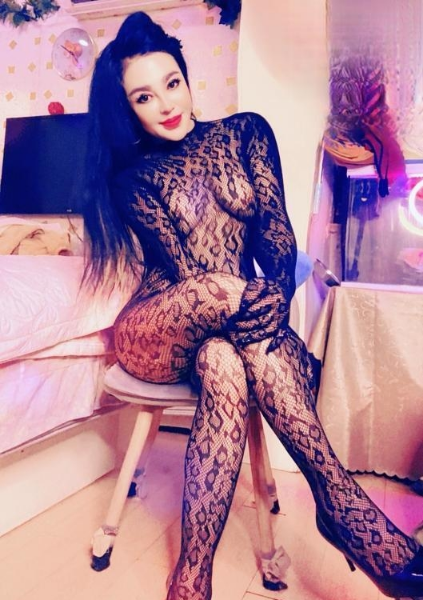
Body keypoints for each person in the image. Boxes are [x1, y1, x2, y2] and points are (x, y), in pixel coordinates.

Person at [82, 11, 423, 600]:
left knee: (223, 360)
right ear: (128, 108)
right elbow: (189, 274)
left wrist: (280, 289)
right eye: (143, 96)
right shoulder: (133, 176)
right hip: (160, 325)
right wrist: (265, 304)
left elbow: (276, 232)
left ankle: (193, 575)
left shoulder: (245, 133)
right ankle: (341, 503)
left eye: (171, 82)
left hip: (228, 332)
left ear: (186, 76)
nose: (165, 103)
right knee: (222, 299)